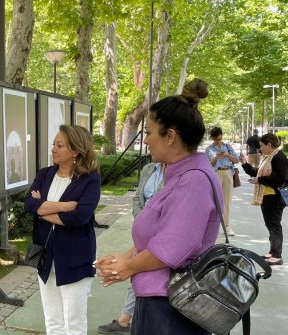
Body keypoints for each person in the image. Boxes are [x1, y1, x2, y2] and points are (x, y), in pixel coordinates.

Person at [93, 78, 221, 335]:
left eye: (149, 132)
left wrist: (127, 267)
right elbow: (159, 235)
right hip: (161, 301)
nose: (146, 140)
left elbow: (171, 249)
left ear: (170, 136)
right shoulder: (182, 175)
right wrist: (127, 257)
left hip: (170, 309)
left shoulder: (192, 180)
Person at [24, 124, 100, 335]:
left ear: (75, 150)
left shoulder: (90, 179)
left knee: (74, 324)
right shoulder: (45, 174)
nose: (53, 149)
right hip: (46, 258)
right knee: (53, 321)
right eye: (53, 144)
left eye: (59, 145)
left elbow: (80, 217)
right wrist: (65, 206)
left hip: (76, 259)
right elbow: (29, 204)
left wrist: (43, 208)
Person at [97, 161, 165, 334]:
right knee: (138, 271)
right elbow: (137, 198)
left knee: (139, 271)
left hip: (162, 231)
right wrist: (143, 220)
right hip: (145, 229)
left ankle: (124, 320)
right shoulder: (149, 169)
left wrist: (125, 264)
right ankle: (125, 319)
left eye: (150, 133)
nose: (148, 141)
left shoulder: (181, 174)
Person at [240, 133, 288, 266]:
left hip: (274, 197)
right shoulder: (270, 157)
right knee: (271, 225)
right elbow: (258, 172)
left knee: (274, 225)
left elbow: (281, 178)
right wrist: (245, 164)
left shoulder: (278, 157)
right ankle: (273, 252)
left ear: (269, 145)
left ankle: (277, 255)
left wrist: (260, 180)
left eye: (262, 146)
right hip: (268, 196)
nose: (260, 149)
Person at [205, 127, 239, 236]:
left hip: (228, 172)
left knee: (227, 200)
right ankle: (211, 226)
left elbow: (237, 159)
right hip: (216, 173)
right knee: (214, 200)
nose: (218, 141)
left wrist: (227, 155)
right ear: (212, 138)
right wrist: (216, 158)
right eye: (216, 139)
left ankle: (227, 226)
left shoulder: (227, 146)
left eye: (219, 138)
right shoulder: (209, 149)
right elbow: (207, 165)